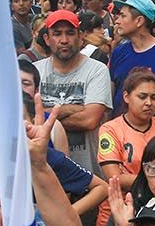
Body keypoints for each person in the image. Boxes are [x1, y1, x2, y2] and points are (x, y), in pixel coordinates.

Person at [97, 69, 155, 226]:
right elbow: (115, 178)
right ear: (126, 97)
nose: (149, 103)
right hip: (116, 217)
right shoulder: (110, 130)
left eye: (154, 98)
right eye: (142, 96)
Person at [36, 10, 113, 175]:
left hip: (89, 172)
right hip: (46, 173)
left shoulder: (97, 70)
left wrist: (46, 117)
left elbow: (90, 120)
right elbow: (29, 120)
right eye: (57, 34)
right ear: (47, 39)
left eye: (70, 33)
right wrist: (75, 108)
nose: (64, 40)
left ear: (81, 37)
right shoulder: (35, 71)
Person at [109, 0, 155, 116]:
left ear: (139, 21)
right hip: (119, 131)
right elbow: (110, 96)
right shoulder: (118, 52)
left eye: (123, 16)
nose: (117, 21)